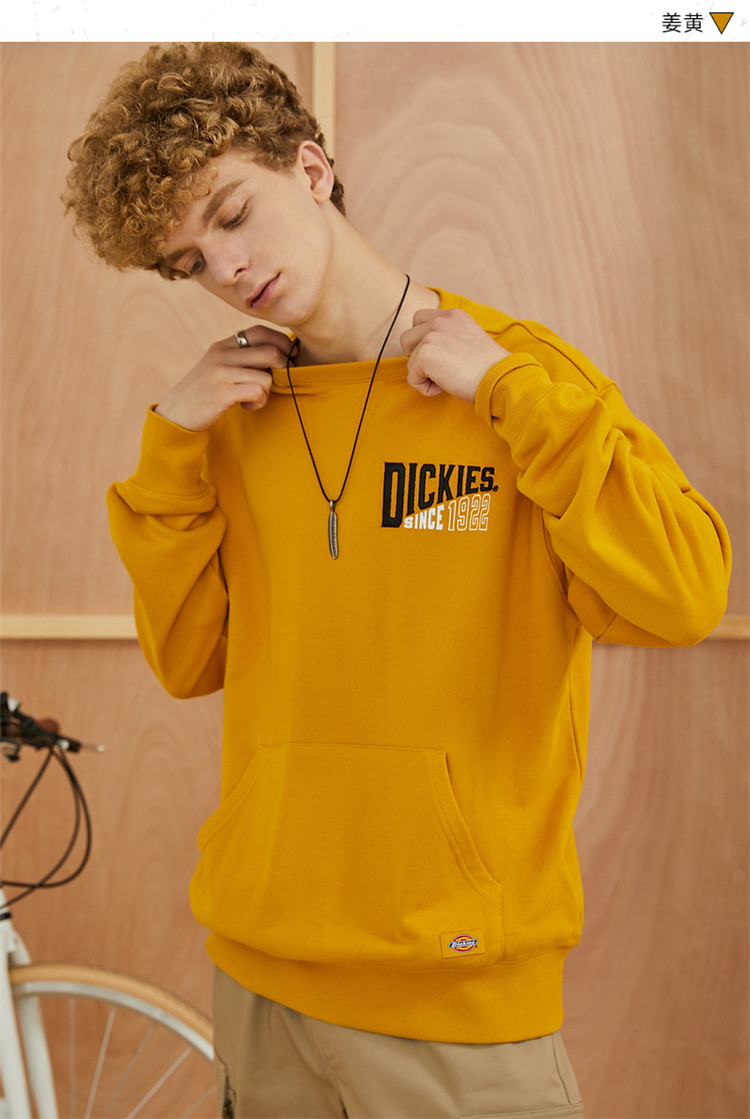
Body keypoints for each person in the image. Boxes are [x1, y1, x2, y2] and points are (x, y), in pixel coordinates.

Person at [63, 42, 731, 1119]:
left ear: (310, 166)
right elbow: (189, 662)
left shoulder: (518, 378)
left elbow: (684, 592)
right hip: (263, 979)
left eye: (232, 214)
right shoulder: (228, 420)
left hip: (453, 992)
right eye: (189, 261)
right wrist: (170, 448)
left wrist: (512, 397)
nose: (227, 268)